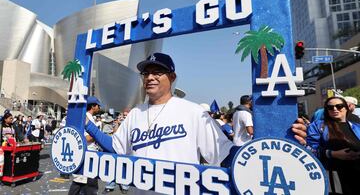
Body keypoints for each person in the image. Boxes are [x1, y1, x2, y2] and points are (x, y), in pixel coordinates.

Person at [84, 52, 308, 194]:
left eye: (157, 72)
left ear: (171, 78)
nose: (150, 77)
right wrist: (87, 124)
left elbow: (225, 155)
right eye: (146, 73)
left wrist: (275, 144)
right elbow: (116, 148)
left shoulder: (192, 112)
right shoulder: (135, 113)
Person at [307, 96, 360, 195]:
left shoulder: (357, 126)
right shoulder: (318, 126)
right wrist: (332, 154)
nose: (335, 109)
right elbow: (309, 150)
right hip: (334, 176)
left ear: (346, 108)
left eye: (339, 106)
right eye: (330, 107)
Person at [68, 96, 102, 195]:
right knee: (88, 184)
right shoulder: (86, 118)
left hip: (88, 153)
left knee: (80, 183)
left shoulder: (88, 117)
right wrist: (98, 135)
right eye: (98, 106)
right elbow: (86, 138)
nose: (99, 108)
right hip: (87, 153)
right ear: (93, 106)